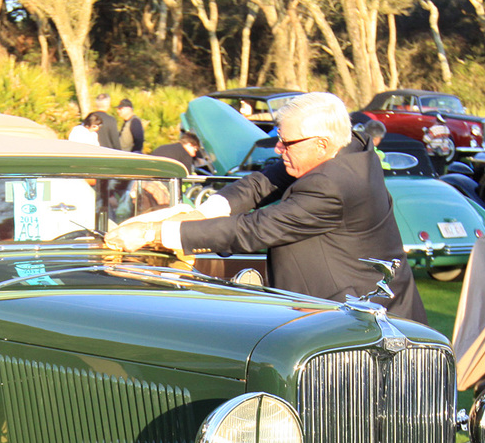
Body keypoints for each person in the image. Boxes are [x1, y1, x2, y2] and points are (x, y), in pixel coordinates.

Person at [108, 92, 425, 323]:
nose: (277, 148)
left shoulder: (333, 184)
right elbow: (263, 181)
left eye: (286, 143)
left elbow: (255, 229)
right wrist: (204, 212)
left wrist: (157, 232)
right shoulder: (347, 143)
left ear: (321, 144)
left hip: (361, 319)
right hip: (354, 308)